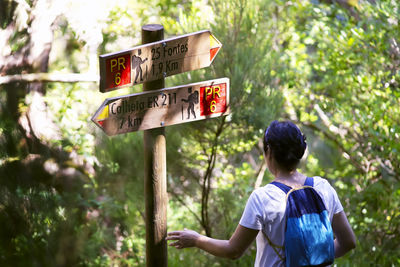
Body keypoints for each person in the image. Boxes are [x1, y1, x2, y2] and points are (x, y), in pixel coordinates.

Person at [166, 120, 356, 266]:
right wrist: (315, 258)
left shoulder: (263, 198)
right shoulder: (323, 188)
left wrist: (196, 239)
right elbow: (348, 242)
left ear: (269, 153)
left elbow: (233, 250)